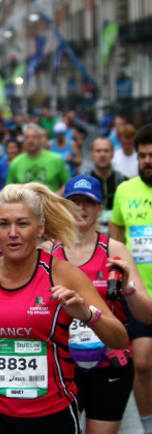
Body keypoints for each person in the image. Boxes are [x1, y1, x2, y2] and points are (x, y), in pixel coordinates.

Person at [0, 182, 128, 433]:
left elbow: (119, 338)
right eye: (4, 224)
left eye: (23, 223)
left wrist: (87, 316)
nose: (13, 233)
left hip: (50, 415)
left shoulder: (64, 275)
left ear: (40, 227)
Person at [49, 174, 152, 434]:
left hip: (110, 362)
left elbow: (147, 315)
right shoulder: (48, 251)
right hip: (62, 365)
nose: (81, 209)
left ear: (98, 209)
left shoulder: (115, 249)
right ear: (63, 206)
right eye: (74, 202)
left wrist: (127, 288)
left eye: (88, 202)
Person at [110, 124, 152, 433]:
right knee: (141, 364)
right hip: (139, 292)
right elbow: (116, 233)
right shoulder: (125, 190)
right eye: (142, 156)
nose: (147, 160)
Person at [6, 123, 70, 194]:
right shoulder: (15, 163)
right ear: (24, 141)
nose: (31, 140)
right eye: (27, 137)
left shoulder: (56, 159)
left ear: (40, 139)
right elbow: (8, 190)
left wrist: (55, 198)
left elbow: (68, 183)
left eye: (34, 137)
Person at [87, 137, 128, 235]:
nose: (102, 154)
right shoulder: (83, 183)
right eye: (98, 151)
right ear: (92, 154)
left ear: (113, 154)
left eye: (106, 151)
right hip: (91, 238)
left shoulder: (124, 182)